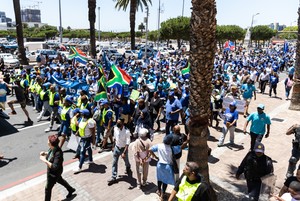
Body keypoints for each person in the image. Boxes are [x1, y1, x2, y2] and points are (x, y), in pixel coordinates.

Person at [39, 134, 75, 201]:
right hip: (56, 172)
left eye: (48, 140)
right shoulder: (53, 148)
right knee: (60, 180)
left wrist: (44, 160)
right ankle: (71, 189)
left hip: (53, 174)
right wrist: (45, 153)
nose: (47, 141)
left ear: (50, 143)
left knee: (47, 189)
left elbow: (54, 166)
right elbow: (51, 153)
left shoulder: (58, 153)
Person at [149, 134, 175, 200]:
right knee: (165, 181)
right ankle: (163, 194)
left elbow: (150, 150)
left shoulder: (159, 146)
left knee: (159, 179)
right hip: (167, 166)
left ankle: (159, 191)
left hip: (159, 165)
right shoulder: (172, 148)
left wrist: (155, 157)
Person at [107, 118, 132, 185]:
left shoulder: (127, 131)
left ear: (123, 123)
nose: (117, 124)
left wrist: (124, 152)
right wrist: (113, 146)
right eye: (117, 122)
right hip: (116, 148)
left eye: (119, 122)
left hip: (123, 149)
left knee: (126, 161)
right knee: (114, 162)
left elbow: (127, 143)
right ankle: (113, 177)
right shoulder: (115, 128)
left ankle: (128, 167)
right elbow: (115, 138)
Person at [73, 109, 96, 173]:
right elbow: (80, 127)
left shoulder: (90, 122)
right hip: (82, 138)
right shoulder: (82, 119)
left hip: (87, 138)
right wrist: (77, 132)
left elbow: (93, 132)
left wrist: (93, 141)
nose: (80, 114)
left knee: (82, 152)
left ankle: (79, 167)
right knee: (89, 149)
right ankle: (91, 160)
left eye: (82, 113)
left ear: (85, 115)